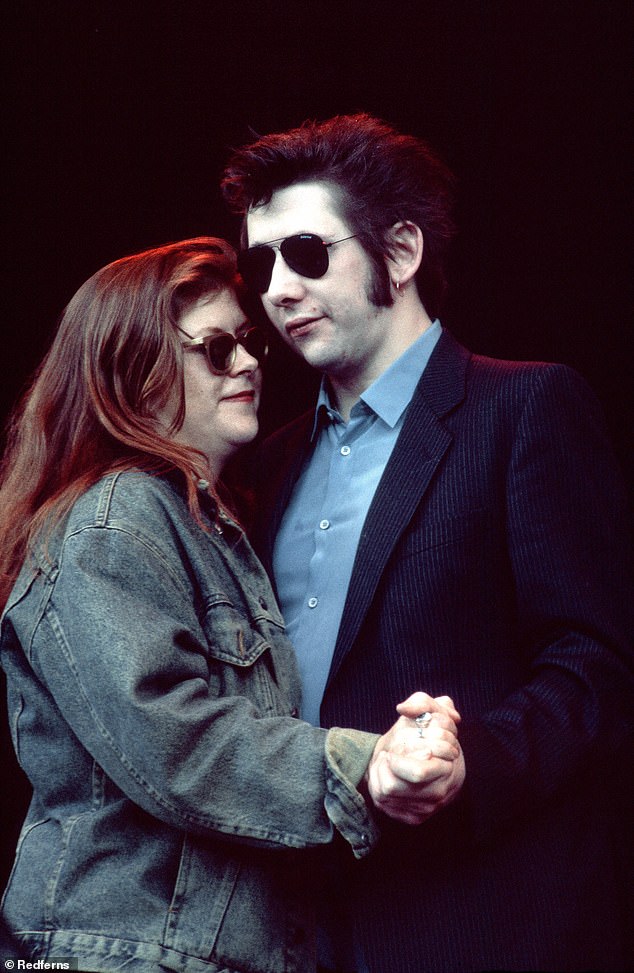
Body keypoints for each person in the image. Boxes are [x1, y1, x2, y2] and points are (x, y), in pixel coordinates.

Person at [221, 115, 634, 973]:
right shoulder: (266, 458)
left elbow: (597, 664)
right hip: (296, 927)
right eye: (259, 264)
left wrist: (466, 762)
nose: (276, 290)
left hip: (477, 923)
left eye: (304, 252)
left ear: (400, 252)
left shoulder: (525, 409)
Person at [0, 237, 463, 973]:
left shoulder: (204, 521)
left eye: (247, 343)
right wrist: (361, 762)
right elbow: (175, 742)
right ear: (134, 371)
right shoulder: (115, 517)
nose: (250, 362)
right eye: (216, 350)